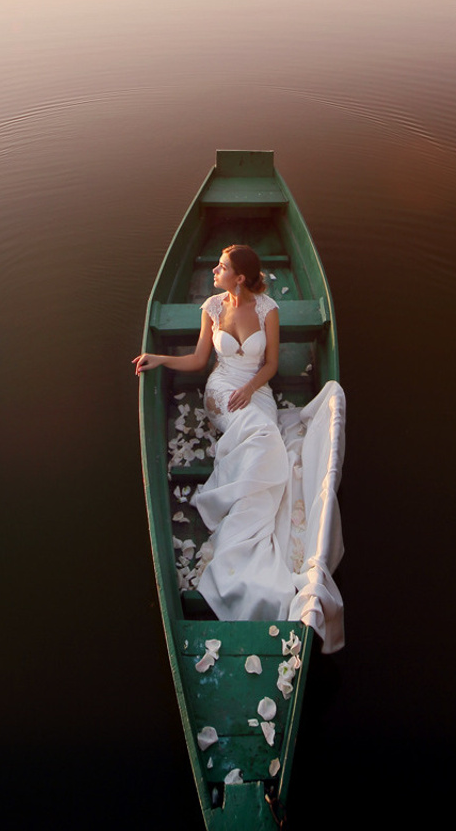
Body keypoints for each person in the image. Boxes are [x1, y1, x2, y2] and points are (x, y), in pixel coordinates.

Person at [133, 244, 343, 642]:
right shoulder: (212, 307)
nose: (215, 270)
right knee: (265, 439)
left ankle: (255, 518)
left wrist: (250, 389)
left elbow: (271, 365)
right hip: (222, 390)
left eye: (223, 267)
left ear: (241, 277)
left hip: (255, 389)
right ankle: (249, 502)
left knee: (266, 442)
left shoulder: (267, 310)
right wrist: (159, 359)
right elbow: (198, 361)